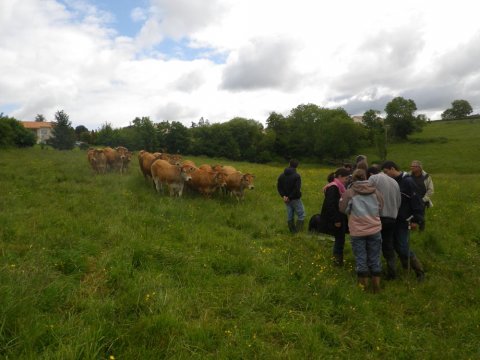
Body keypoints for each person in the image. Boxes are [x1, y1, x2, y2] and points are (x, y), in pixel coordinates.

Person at [340, 169, 384, 292]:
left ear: (353, 179)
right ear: (366, 177)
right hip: (374, 229)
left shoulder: (349, 193)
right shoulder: (376, 191)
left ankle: (363, 288)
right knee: (375, 257)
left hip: (357, 230)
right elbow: (381, 208)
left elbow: (343, 209)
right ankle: (376, 287)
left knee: (361, 258)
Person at [381, 161, 426, 282]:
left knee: (402, 246)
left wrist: (416, 219)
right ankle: (406, 269)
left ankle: (419, 272)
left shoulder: (408, 181)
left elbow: (417, 201)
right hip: (392, 219)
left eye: (386, 172)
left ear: (392, 168)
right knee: (395, 245)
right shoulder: (391, 181)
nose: (385, 175)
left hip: (404, 220)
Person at [367, 166, 401, 280]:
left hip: (378, 216)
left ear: (371, 173)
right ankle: (392, 273)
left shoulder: (373, 178)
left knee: (373, 244)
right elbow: (399, 201)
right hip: (392, 218)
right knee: (388, 245)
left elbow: (367, 195)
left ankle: (374, 271)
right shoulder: (394, 182)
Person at [319, 168, 351, 266]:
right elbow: (331, 205)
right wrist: (336, 220)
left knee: (340, 239)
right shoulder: (334, 187)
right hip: (336, 219)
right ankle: (337, 262)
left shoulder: (338, 186)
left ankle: (338, 261)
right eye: (346, 178)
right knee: (339, 239)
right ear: (340, 176)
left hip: (339, 217)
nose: (347, 181)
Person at [277, 159, 306, 233]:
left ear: (289, 164)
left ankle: (292, 231)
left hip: (286, 199)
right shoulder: (297, 176)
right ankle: (298, 232)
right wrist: (289, 197)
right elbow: (297, 189)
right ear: (297, 166)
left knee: (290, 215)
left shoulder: (281, 175)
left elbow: (279, 187)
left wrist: (284, 196)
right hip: (294, 198)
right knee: (301, 214)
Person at [409, 160, 434, 230]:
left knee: (420, 218)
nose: (411, 168)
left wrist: (423, 200)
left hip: (421, 202)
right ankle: (410, 230)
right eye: (411, 166)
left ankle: (421, 233)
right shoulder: (408, 175)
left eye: (414, 166)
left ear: (419, 168)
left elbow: (430, 190)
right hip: (410, 201)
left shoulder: (426, 176)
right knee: (409, 217)